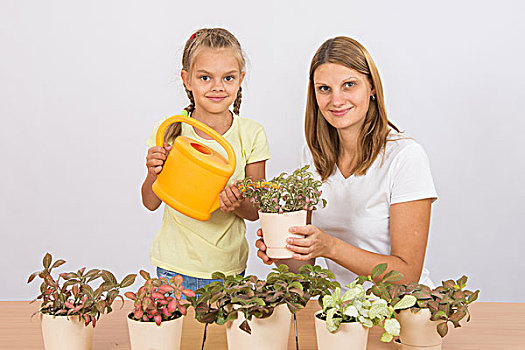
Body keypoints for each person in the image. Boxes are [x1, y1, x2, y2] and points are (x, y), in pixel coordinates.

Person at [256, 36, 437, 287]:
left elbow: (407, 275)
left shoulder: (405, 157)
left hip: (400, 312)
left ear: (371, 87)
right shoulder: (312, 156)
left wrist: (330, 247)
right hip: (339, 314)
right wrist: (282, 249)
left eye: (349, 85)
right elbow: (304, 268)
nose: (336, 100)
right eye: (324, 89)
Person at [142, 28, 270, 290]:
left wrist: (236, 203)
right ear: (186, 80)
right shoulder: (171, 130)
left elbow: (256, 211)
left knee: (221, 333)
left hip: (229, 269)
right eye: (205, 77)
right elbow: (150, 202)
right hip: (173, 267)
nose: (217, 87)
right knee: (180, 333)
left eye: (228, 77)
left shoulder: (251, 134)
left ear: (240, 79)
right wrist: (154, 171)